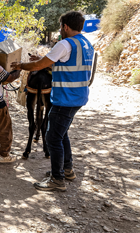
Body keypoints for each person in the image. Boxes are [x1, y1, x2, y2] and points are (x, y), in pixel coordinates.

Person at [11, 11, 94, 192]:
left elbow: (37, 67)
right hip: (78, 96)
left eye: (60, 27)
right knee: (61, 133)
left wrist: (21, 65)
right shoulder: (86, 44)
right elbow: (64, 63)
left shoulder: (65, 43)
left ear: (65, 27)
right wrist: (42, 60)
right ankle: (67, 169)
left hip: (65, 97)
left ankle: (57, 179)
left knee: (52, 136)